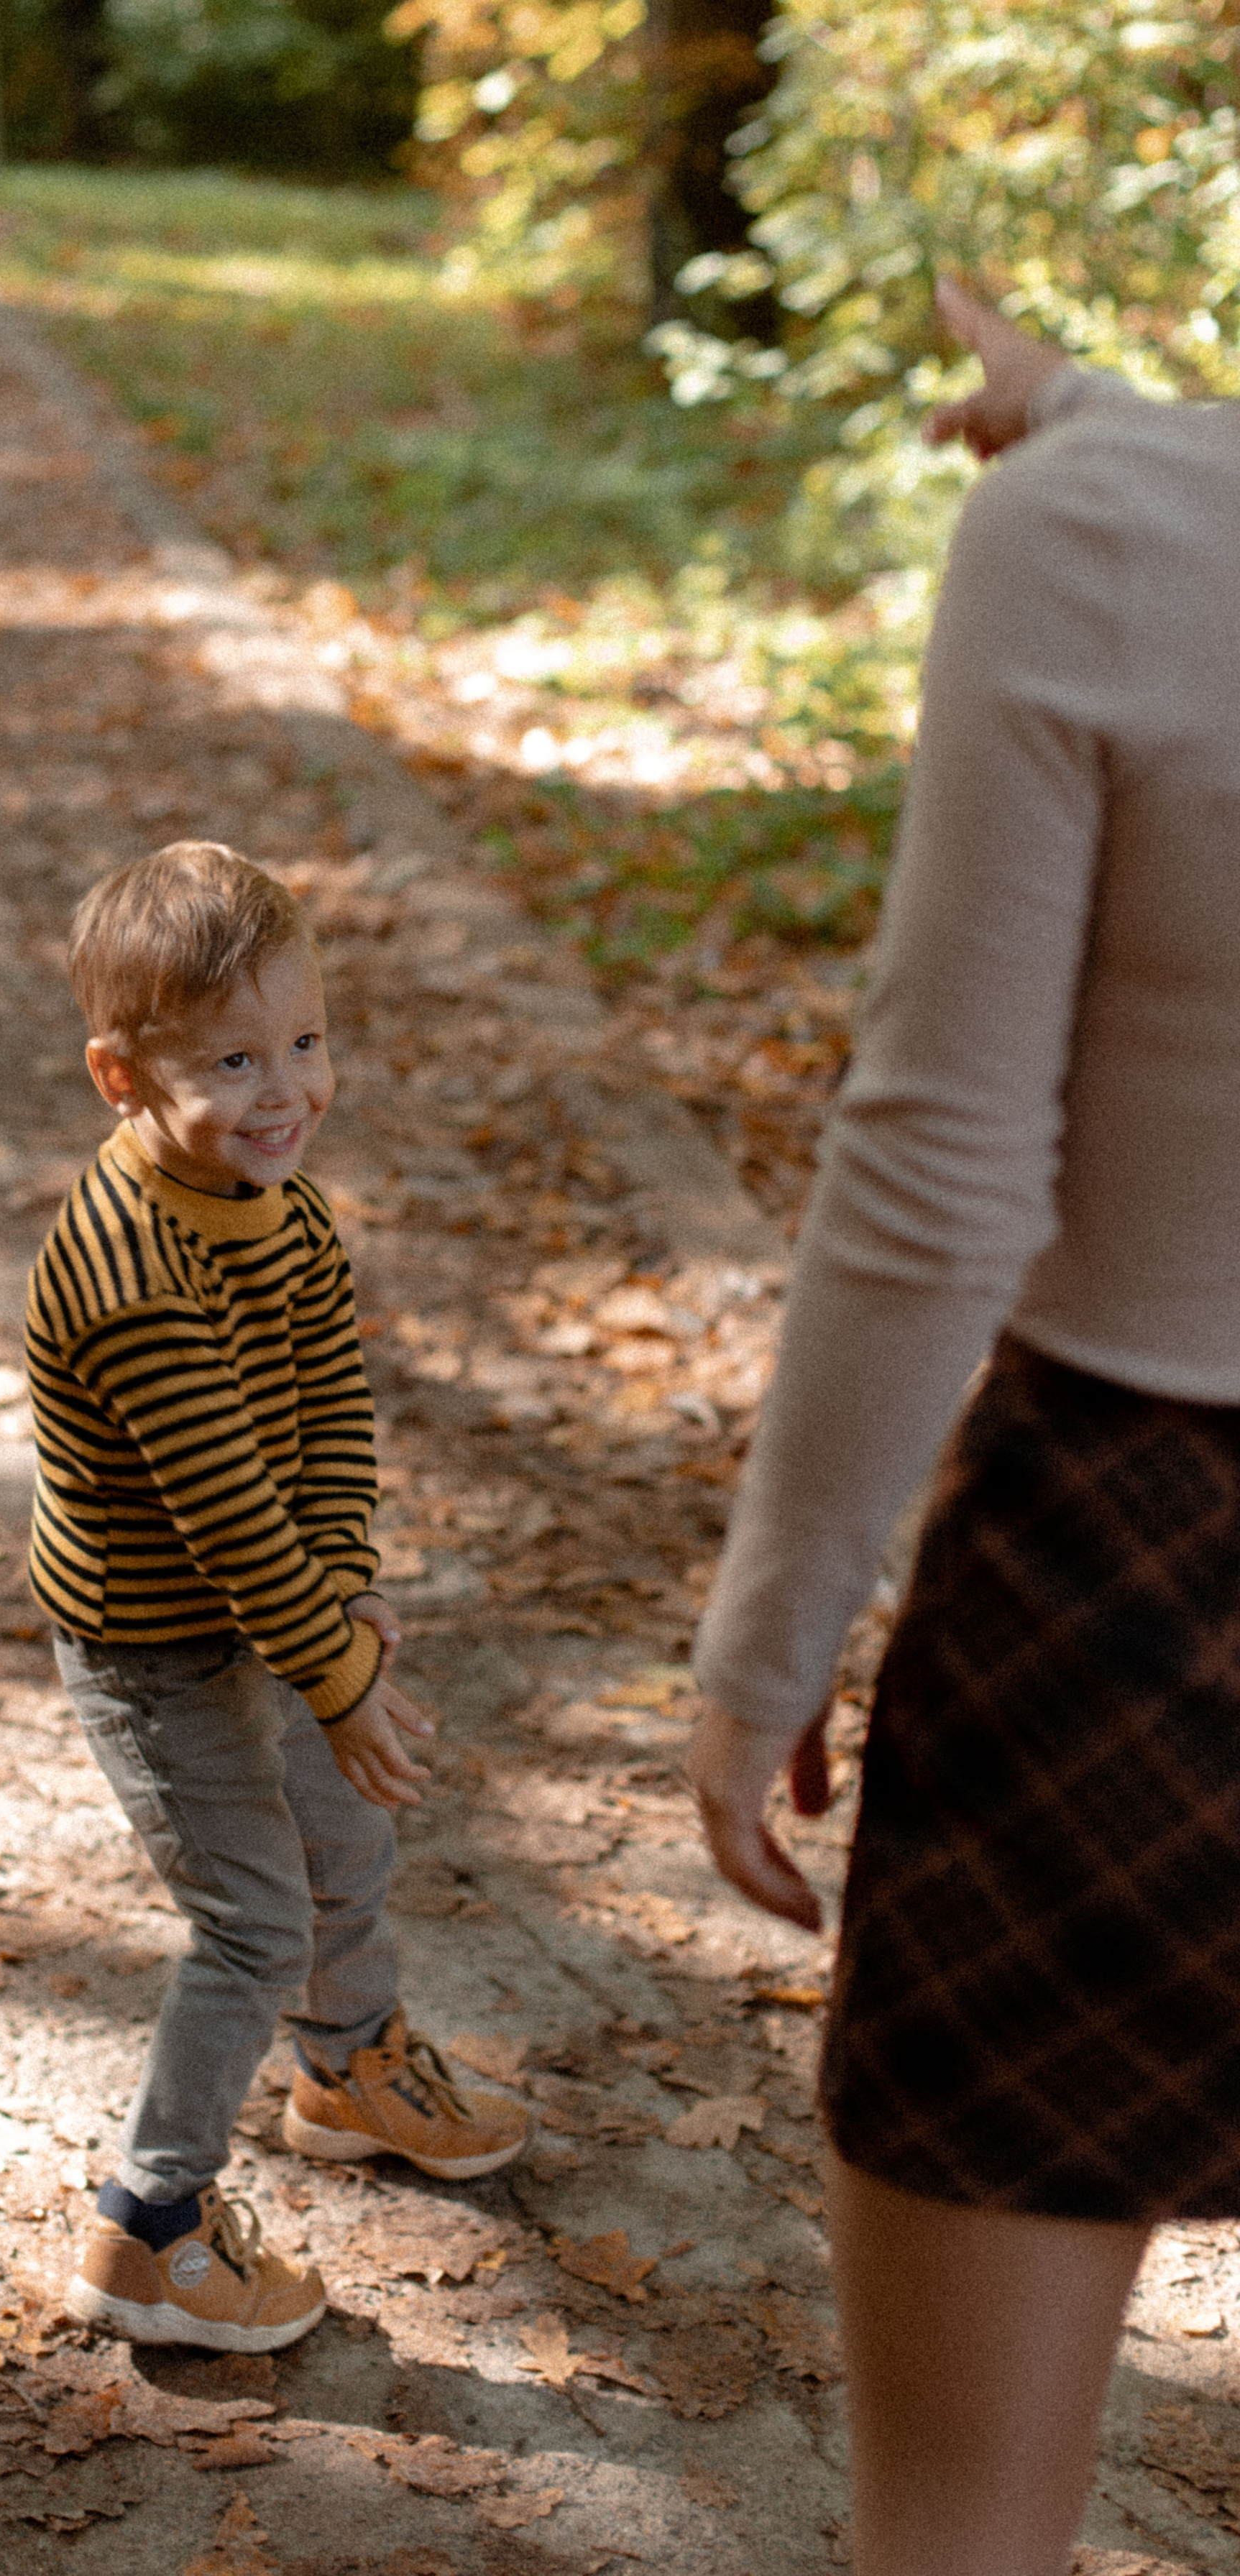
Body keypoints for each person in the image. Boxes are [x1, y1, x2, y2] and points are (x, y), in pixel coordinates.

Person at [685, 279, 1240, 2576]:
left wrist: (770, 1635)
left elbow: (941, 1167)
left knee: (965, 2530)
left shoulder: (1110, 543)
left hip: (1143, 1603)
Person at [27, 840, 529, 2355]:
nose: (286, 1090)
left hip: (276, 1606)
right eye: (234, 1060)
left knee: (344, 1836)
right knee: (250, 1921)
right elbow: (226, 1515)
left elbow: (325, 1413)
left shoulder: (279, 1207)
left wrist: (347, 1596)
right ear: (121, 1078)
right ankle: (149, 2226)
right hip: (154, 1642)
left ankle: (351, 2068)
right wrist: (341, 1675)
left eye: (304, 1041)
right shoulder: (129, 1269)